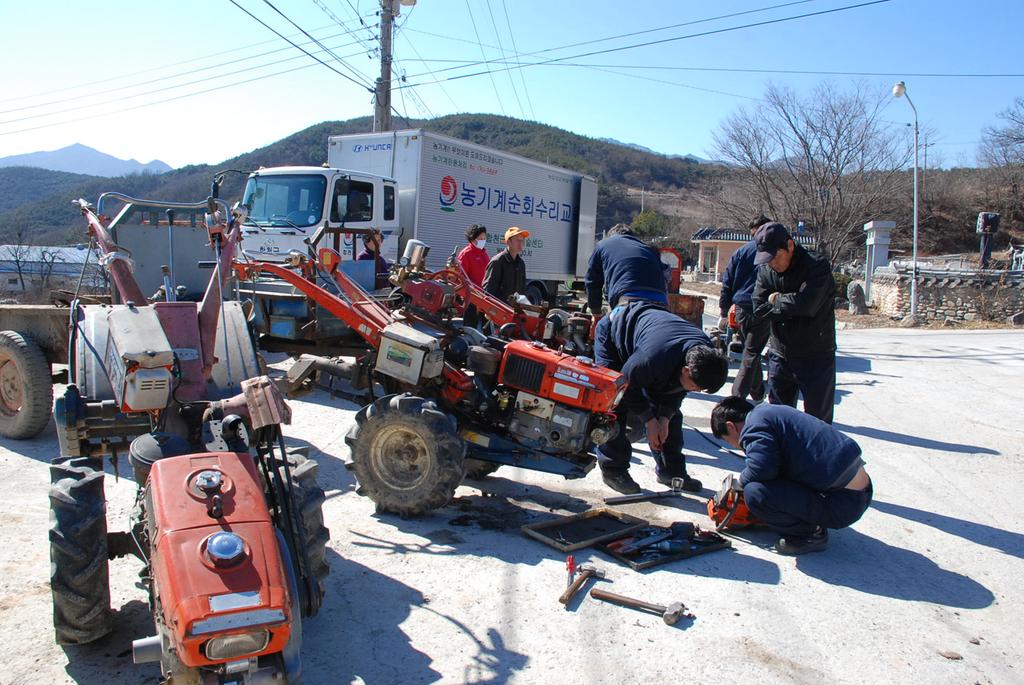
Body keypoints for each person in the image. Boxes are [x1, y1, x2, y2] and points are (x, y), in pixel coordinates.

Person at [593, 301, 728, 495]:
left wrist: (664, 418)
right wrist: (649, 420)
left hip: (655, 337)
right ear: (686, 370)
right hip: (614, 332)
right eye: (696, 387)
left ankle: (671, 471)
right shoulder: (653, 357)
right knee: (614, 404)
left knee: (670, 416)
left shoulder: (705, 353)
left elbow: (677, 392)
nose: (696, 391)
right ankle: (613, 470)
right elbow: (626, 385)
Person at [710, 396, 872, 555]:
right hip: (857, 492)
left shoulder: (753, 428)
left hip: (841, 504)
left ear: (731, 427)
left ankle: (810, 534)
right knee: (770, 479)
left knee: (755, 493)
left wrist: (739, 484)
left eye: (727, 440)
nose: (733, 445)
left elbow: (761, 468)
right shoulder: (769, 412)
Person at [751, 222, 837, 423]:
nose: (771, 263)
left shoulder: (816, 266)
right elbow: (758, 307)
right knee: (779, 419)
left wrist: (776, 299)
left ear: (789, 245)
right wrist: (791, 303)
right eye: (767, 259)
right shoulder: (766, 271)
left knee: (818, 422)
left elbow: (808, 306)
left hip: (816, 356)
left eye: (775, 257)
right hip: (781, 355)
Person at [718, 215, 772, 402]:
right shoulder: (772, 253)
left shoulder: (741, 252)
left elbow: (727, 282)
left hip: (740, 309)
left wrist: (724, 311)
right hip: (762, 309)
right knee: (751, 353)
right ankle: (736, 399)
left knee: (750, 351)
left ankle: (757, 392)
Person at [585, 224, 668, 321]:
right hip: (660, 301)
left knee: (602, 329)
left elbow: (592, 282)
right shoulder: (647, 248)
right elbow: (666, 273)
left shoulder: (602, 245)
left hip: (627, 300)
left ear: (610, 236)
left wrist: (596, 313)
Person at [482, 226, 528, 305]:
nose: (521, 243)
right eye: (517, 240)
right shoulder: (497, 261)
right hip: (499, 311)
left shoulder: (521, 263)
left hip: (514, 311)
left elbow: (522, 291)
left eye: (522, 240)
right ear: (508, 242)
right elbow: (488, 292)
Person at [457, 224, 489, 328]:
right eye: (480, 238)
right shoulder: (466, 254)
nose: (482, 241)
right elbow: (461, 276)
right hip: (471, 295)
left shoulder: (484, 253)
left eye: (484, 238)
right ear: (472, 238)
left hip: (484, 295)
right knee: (471, 325)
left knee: (487, 324)